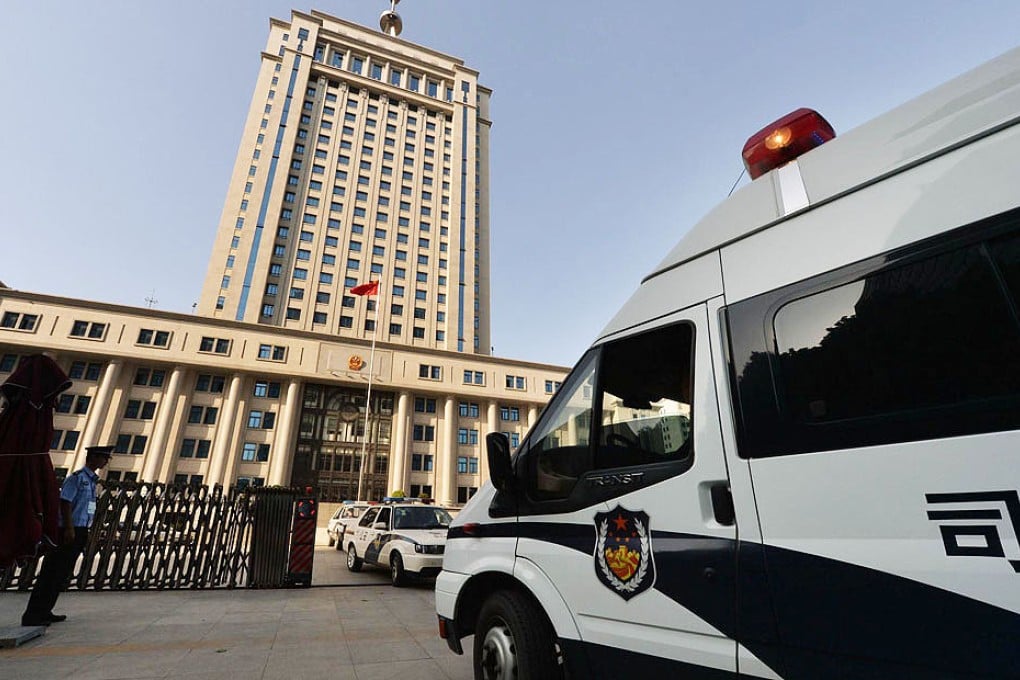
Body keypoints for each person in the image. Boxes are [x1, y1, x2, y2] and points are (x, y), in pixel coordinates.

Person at [21, 445, 112, 627]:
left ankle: (46, 611)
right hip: (67, 531)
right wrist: (69, 528)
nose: (105, 462)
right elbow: (65, 502)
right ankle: (32, 615)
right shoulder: (76, 478)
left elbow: (88, 507)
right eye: (103, 458)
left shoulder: (93, 482)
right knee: (51, 571)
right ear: (93, 457)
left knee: (61, 574)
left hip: (80, 530)